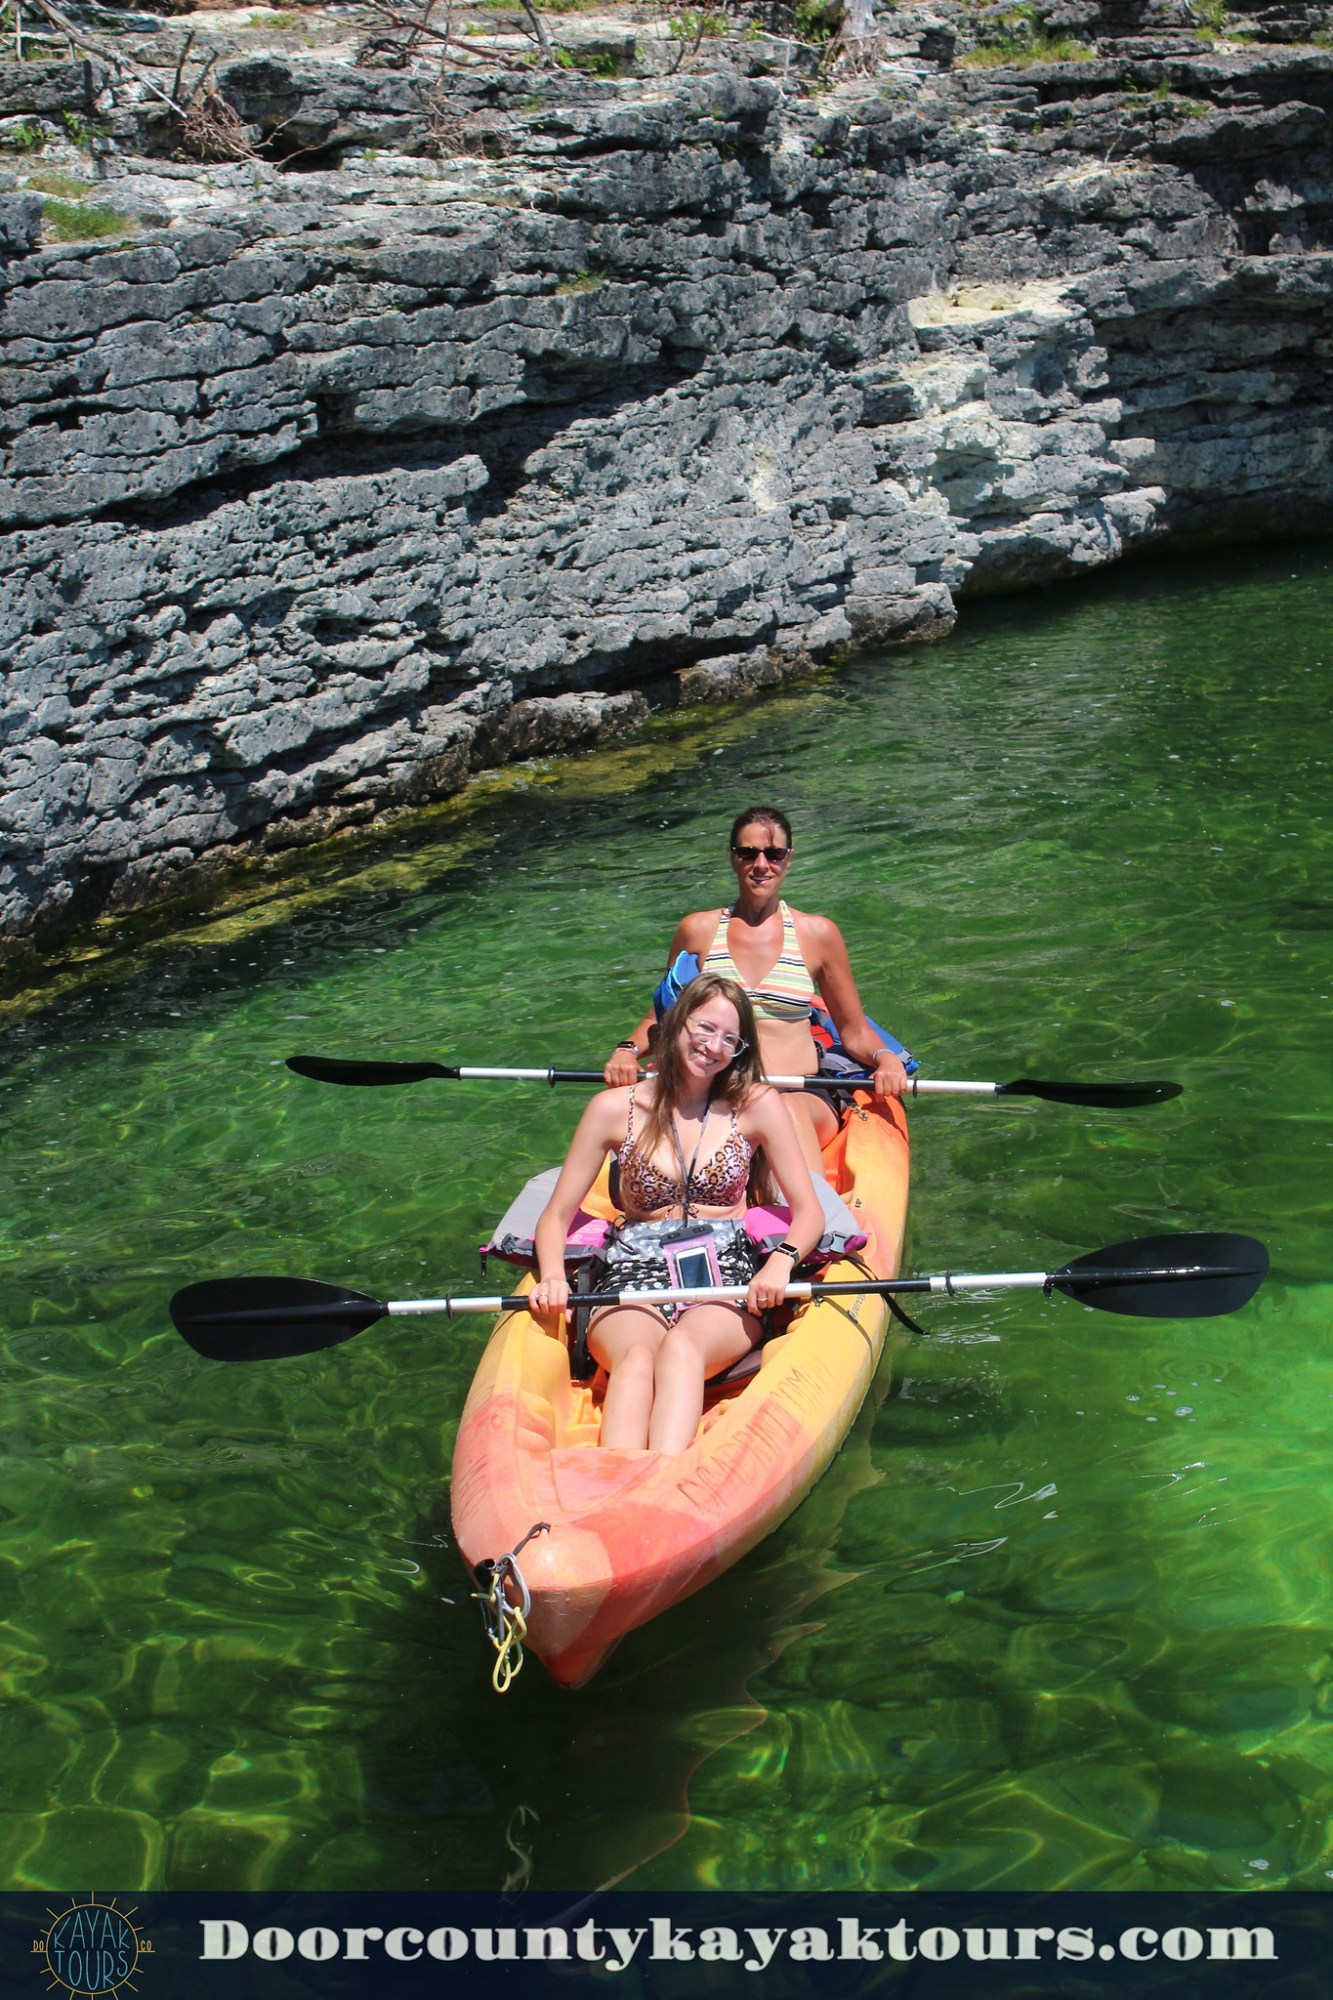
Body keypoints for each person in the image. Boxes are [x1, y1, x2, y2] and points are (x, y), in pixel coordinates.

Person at [529, 974, 825, 1456]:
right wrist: (550, 1276)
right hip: (631, 1269)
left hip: (723, 1273)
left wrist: (781, 1261)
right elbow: (556, 1215)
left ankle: (665, 1480)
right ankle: (619, 1478)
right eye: (704, 1028)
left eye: (730, 1039)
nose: (713, 1047)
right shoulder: (611, 1109)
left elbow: (809, 1211)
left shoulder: (756, 1106)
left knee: (682, 1351)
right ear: (675, 1024)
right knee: (639, 1359)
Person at [603, 807, 907, 1171]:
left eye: (773, 854)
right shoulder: (697, 930)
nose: (761, 864)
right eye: (748, 853)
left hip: (799, 1095)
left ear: (788, 860)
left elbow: (854, 1030)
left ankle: (817, 1222)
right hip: (716, 1095)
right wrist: (626, 1050)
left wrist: (885, 1058)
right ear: (733, 858)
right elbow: (664, 1017)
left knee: (783, 1113)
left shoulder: (818, 935)